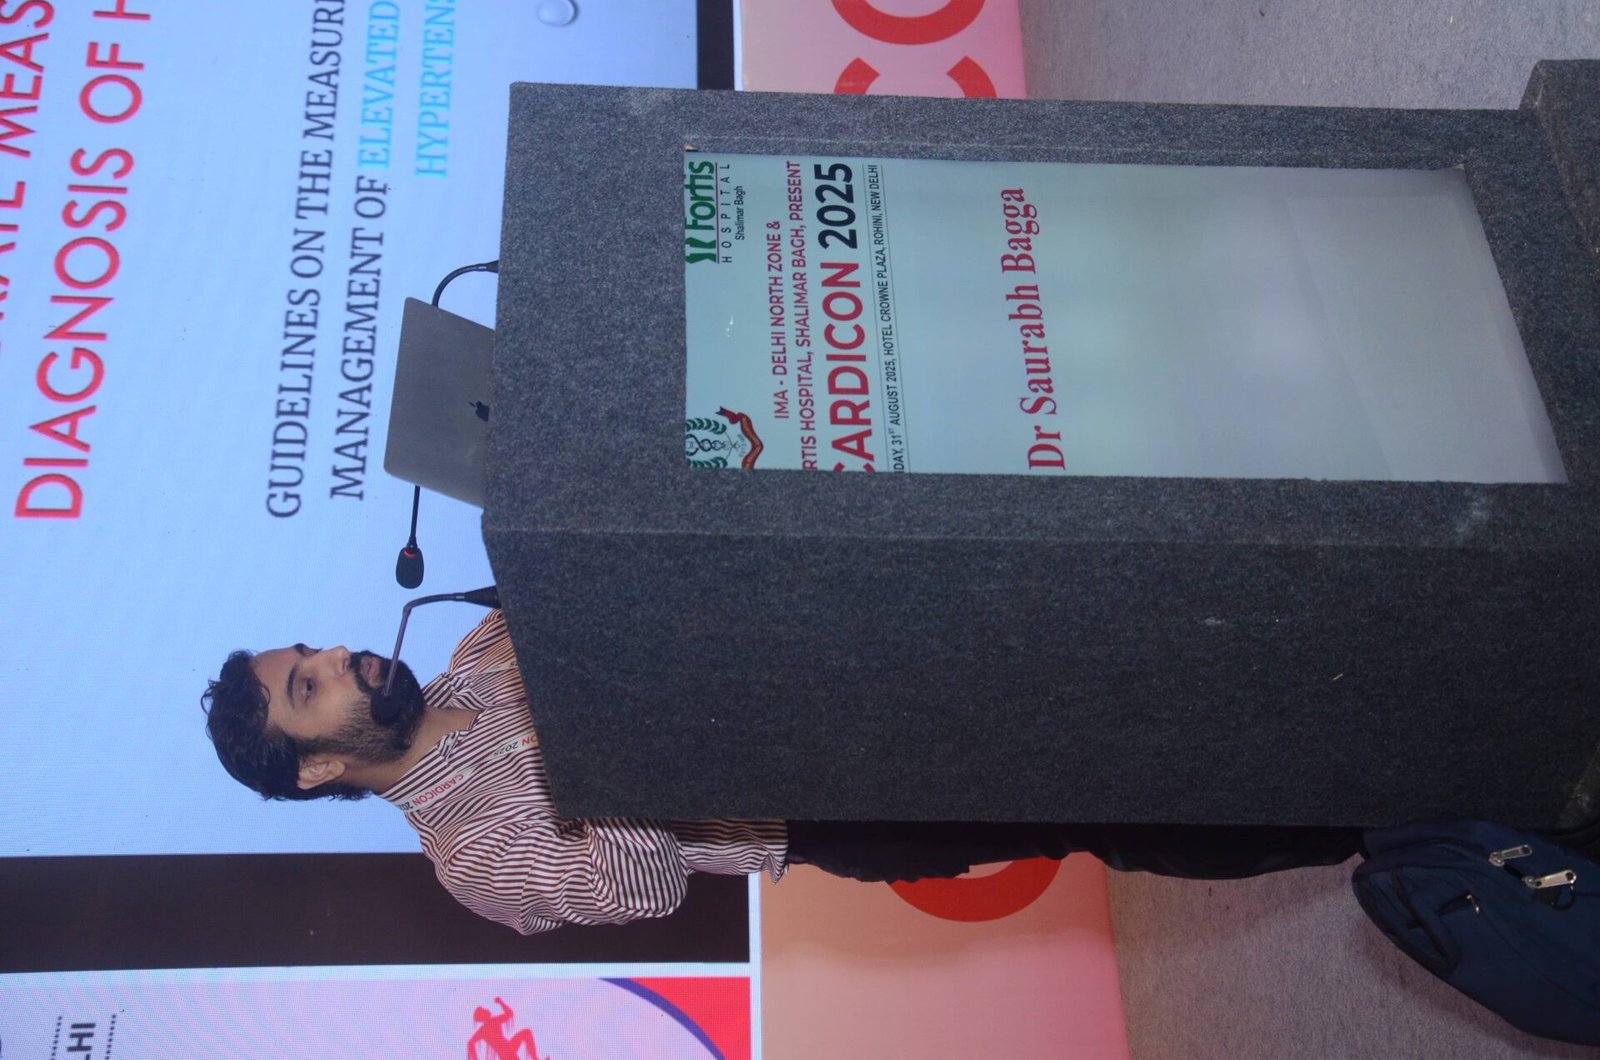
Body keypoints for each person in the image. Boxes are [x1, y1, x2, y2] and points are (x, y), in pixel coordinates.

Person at [202, 609, 1364, 934]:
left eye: (314, 652)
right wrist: (580, 734)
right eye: (309, 687)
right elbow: (642, 885)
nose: (340, 659)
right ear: (318, 769)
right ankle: (1369, 822)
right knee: (1097, 807)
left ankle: (1348, 722)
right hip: (821, 805)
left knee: (1085, 694)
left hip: (817, 674)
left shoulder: (480, 647)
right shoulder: (470, 859)